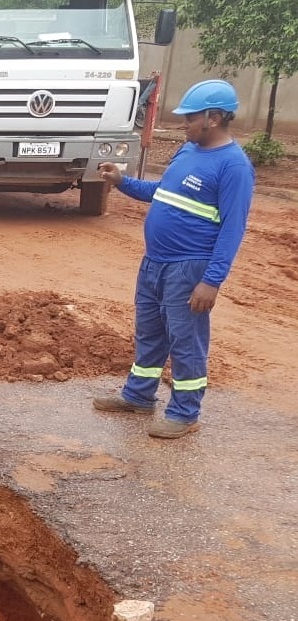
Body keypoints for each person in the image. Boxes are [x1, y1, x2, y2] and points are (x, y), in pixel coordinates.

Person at [92, 79, 254, 439]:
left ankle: (184, 413)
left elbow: (232, 229)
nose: (184, 123)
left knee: (186, 340)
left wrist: (211, 281)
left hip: (189, 268)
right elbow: (162, 193)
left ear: (213, 118)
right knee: (149, 333)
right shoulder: (187, 151)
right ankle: (138, 396)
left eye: (190, 117)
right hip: (155, 263)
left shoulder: (234, 167)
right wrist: (123, 182)